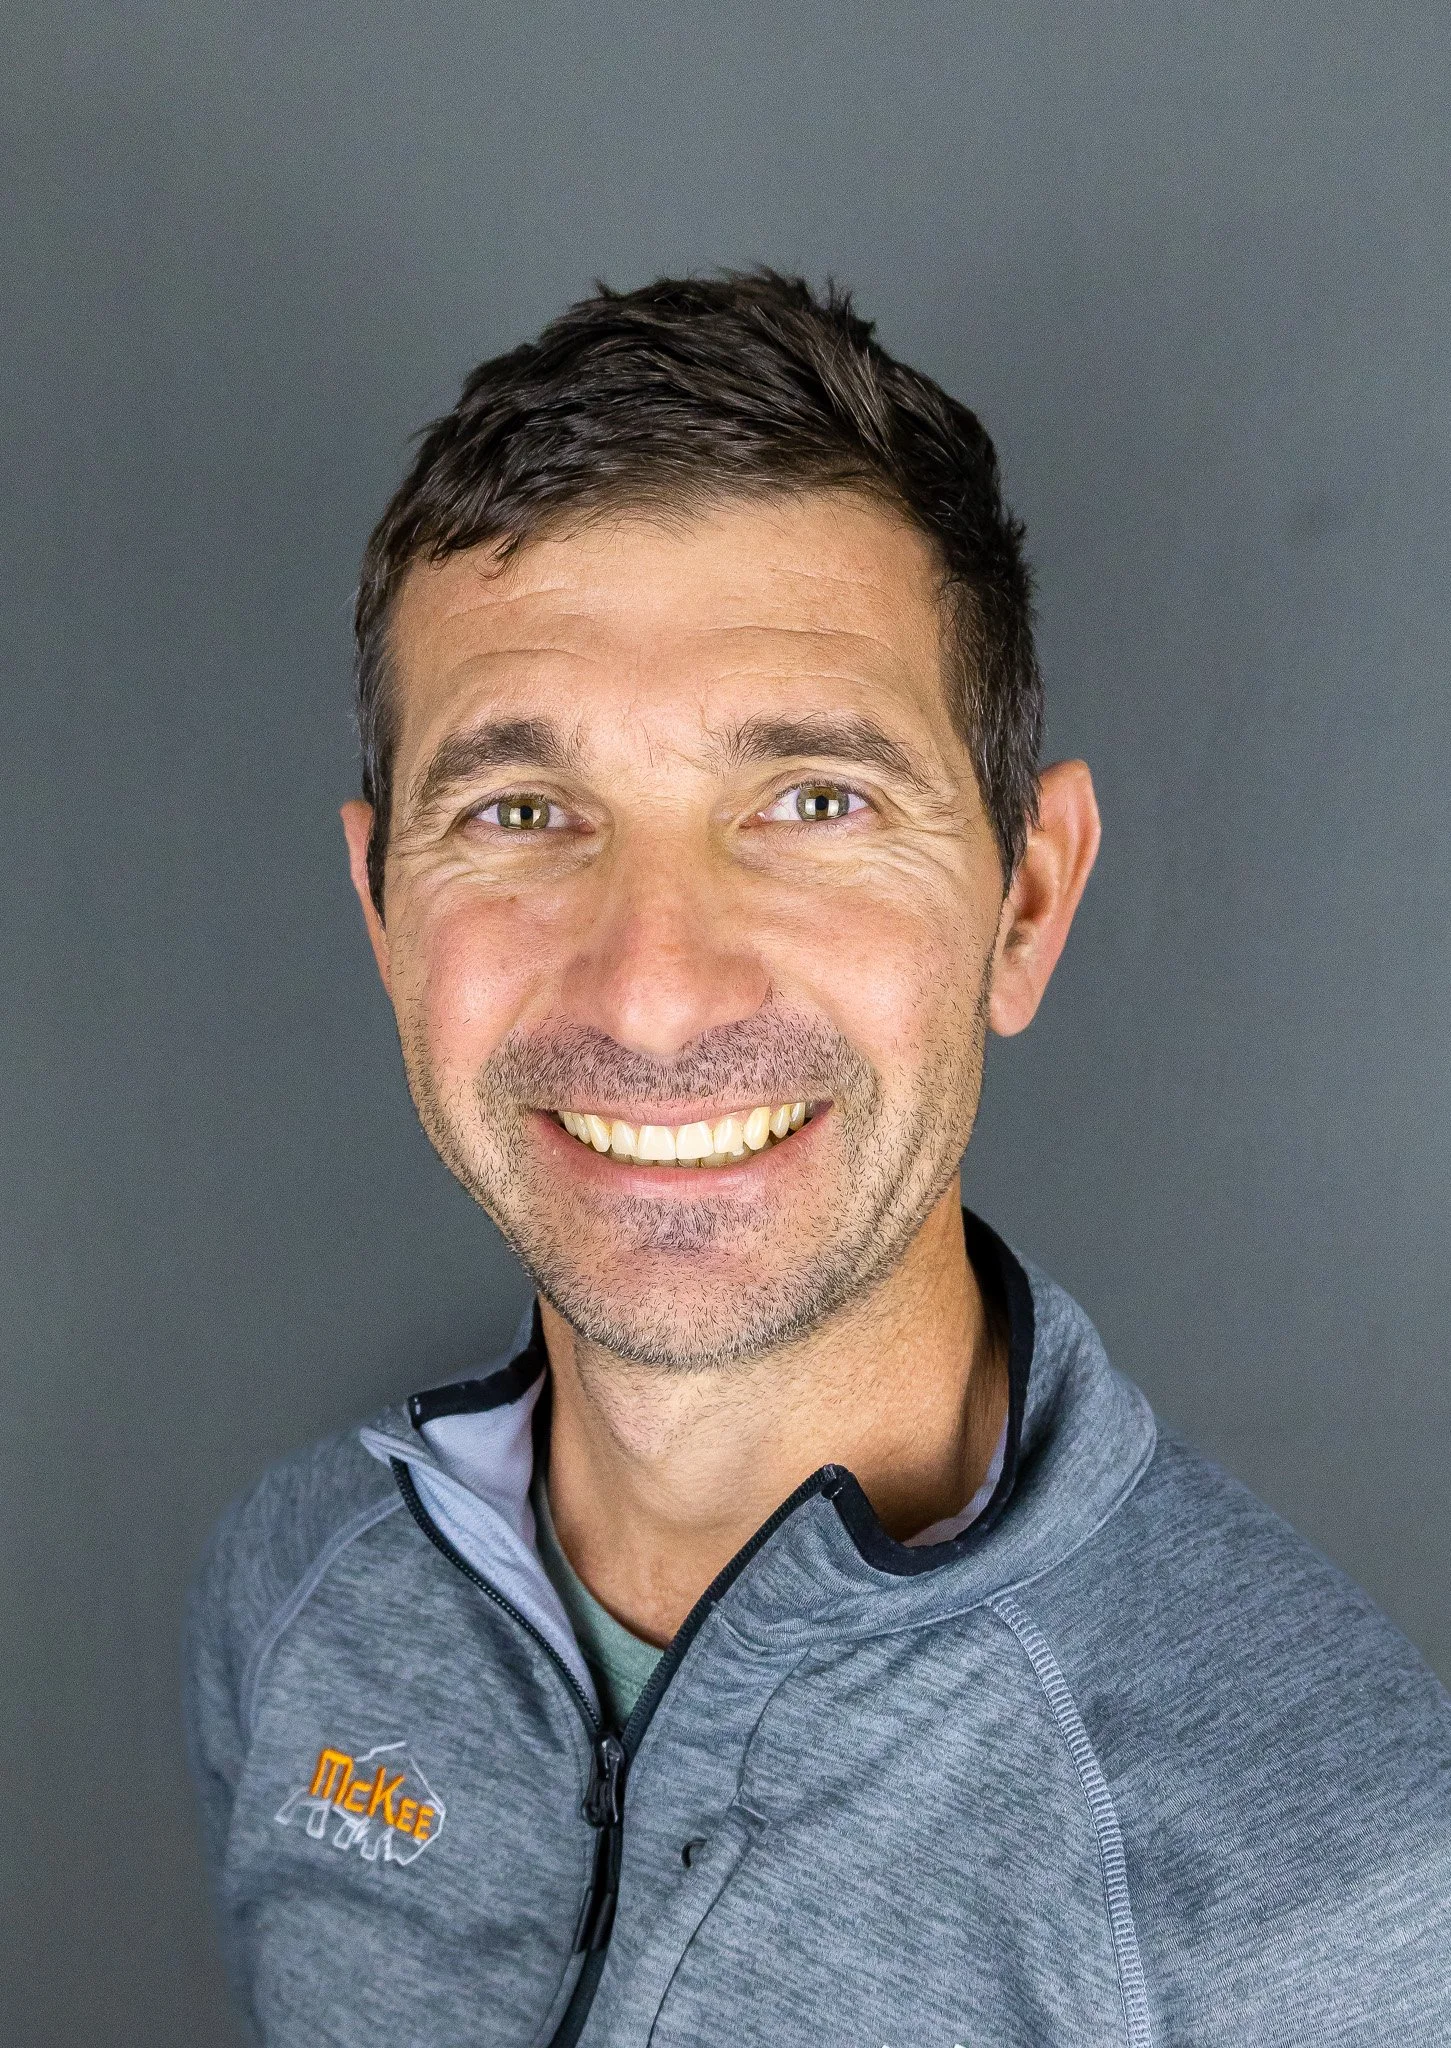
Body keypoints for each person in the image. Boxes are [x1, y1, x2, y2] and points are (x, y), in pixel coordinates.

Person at [185, 272, 1449, 2048]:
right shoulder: (294, 1588)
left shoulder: (1340, 1885)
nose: (650, 990)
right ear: (383, 911)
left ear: (1024, 903)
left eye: (812, 802)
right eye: (520, 812)